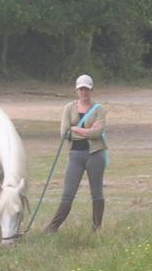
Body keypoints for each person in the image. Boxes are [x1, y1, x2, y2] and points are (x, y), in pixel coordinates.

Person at [44, 73, 108, 232]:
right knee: (68, 193)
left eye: (86, 89)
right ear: (76, 90)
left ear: (91, 90)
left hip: (96, 154)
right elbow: (64, 134)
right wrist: (87, 131)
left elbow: (97, 133)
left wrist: (76, 129)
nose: (84, 92)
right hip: (75, 155)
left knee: (97, 192)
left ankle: (96, 228)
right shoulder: (68, 108)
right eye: (81, 89)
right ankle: (52, 228)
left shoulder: (100, 110)